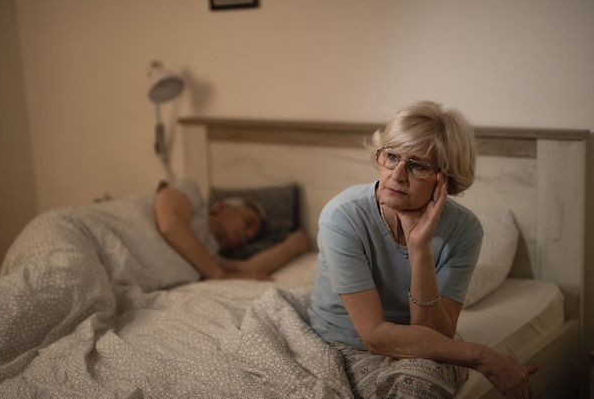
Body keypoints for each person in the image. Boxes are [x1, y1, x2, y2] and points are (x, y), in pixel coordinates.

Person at [307, 101, 538, 399]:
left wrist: (421, 249)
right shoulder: (343, 216)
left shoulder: (465, 230)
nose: (397, 174)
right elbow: (375, 337)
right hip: (339, 343)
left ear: (446, 178)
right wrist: (482, 356)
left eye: (417, 165)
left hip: (423, 348)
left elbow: (438, 337)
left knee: (424, 377)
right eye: (392, 156)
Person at [155, 178, 310, 281]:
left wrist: (293, 246)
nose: (247, 235)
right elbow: (170, 225)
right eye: (248, 222)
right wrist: (218, 274)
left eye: (251, 238)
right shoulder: (190, 194)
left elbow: (251, 269)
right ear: (222, 207)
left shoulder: (210, 259)